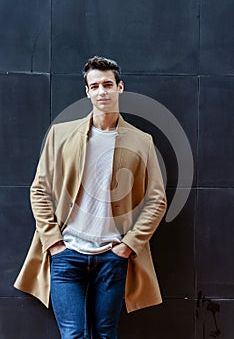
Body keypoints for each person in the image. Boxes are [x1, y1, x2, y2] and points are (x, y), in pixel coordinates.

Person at [14, 56, 167, 339]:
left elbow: (156, 200)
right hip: (67, 254)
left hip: (113, 255)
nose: (102, 92)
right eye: (94, 86)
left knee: (106, 334)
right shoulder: (61, 135)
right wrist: (54, 242)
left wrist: (128, 245)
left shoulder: (141, 140)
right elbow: (39, 189)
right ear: (87, 91)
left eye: (108, 84)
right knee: (74, 335)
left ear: (120, 87)